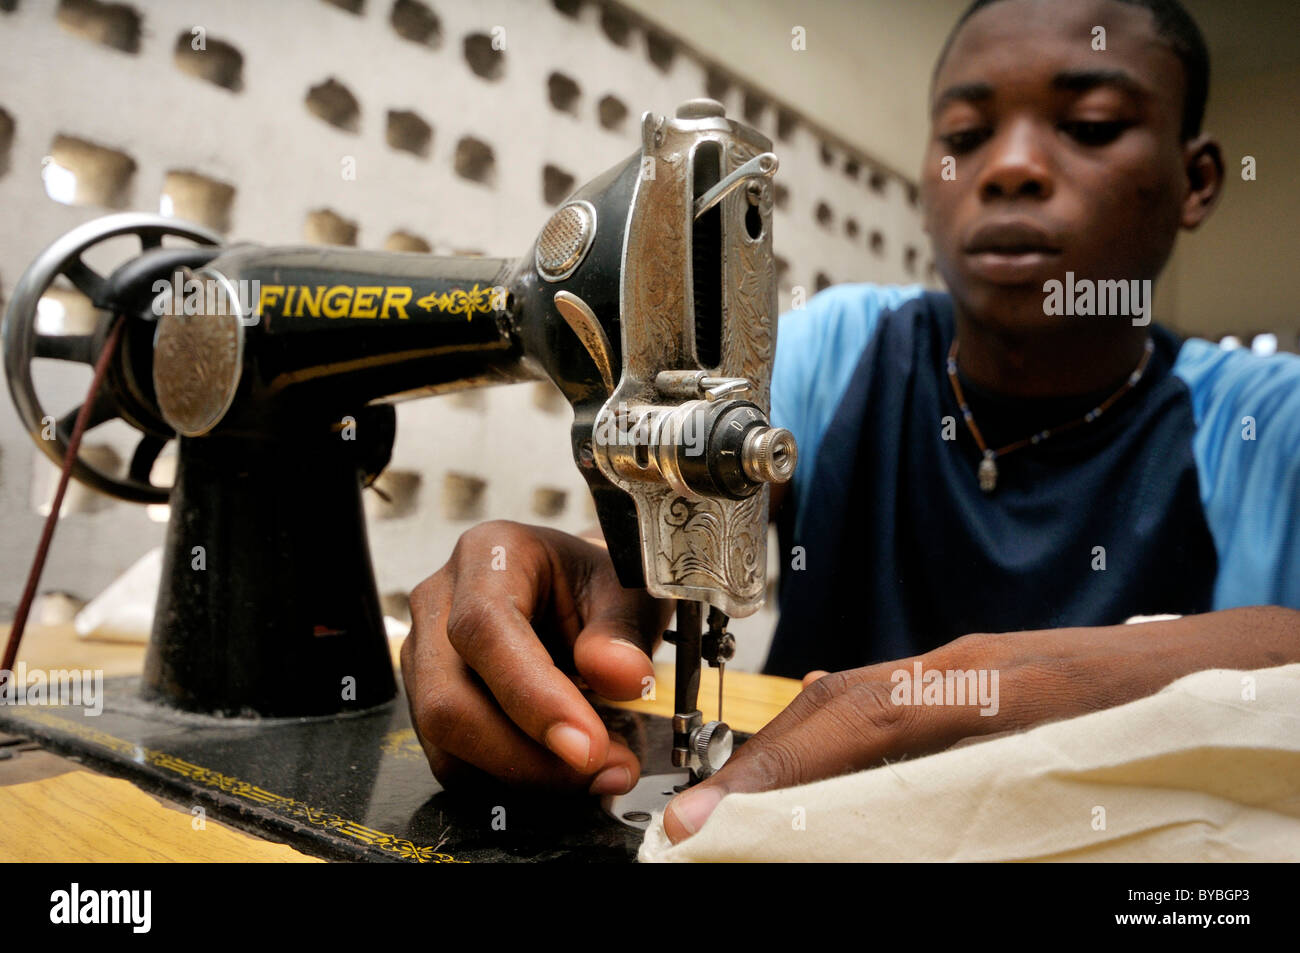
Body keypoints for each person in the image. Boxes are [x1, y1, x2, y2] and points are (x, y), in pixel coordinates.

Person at [400, 0, 1300, 847]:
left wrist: (1001, 679)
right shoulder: (841, 347)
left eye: (1092, 126)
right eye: (964, 138)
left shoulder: (1267, 420)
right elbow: (685, 507)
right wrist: (602, 587)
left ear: (1198, 179)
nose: (1011, 166)